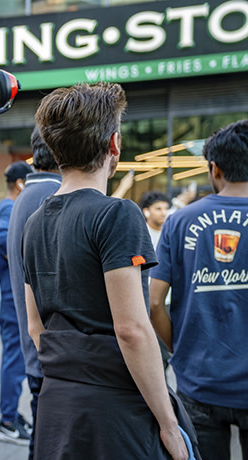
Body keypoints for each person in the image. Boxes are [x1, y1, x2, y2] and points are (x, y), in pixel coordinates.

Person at [24, 82, 187, 459]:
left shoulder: (35, 221)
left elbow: (36, 326)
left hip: (58, 404)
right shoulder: (117, 214)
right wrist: (168, 423)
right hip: (117, 411)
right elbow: (131, 329)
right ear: (114, 144)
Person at [149, 119, 248, 460]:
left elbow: (154, 303)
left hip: (198, 381)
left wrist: (181, 349)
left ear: (214, 168)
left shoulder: (179, 221)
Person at [6, 126, 61, 460]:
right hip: (54, 354)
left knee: (43, 441)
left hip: (39, 351)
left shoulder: (27, 194)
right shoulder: (51, 197)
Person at [0, 160, 33, 446]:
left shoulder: (7, 209)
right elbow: (6, 242)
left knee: (15, 361)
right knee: (14, 362)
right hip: (10, 301)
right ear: (21, 185)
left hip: (10, 300)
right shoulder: (8, 209)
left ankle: (10, 415)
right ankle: (6, 421)